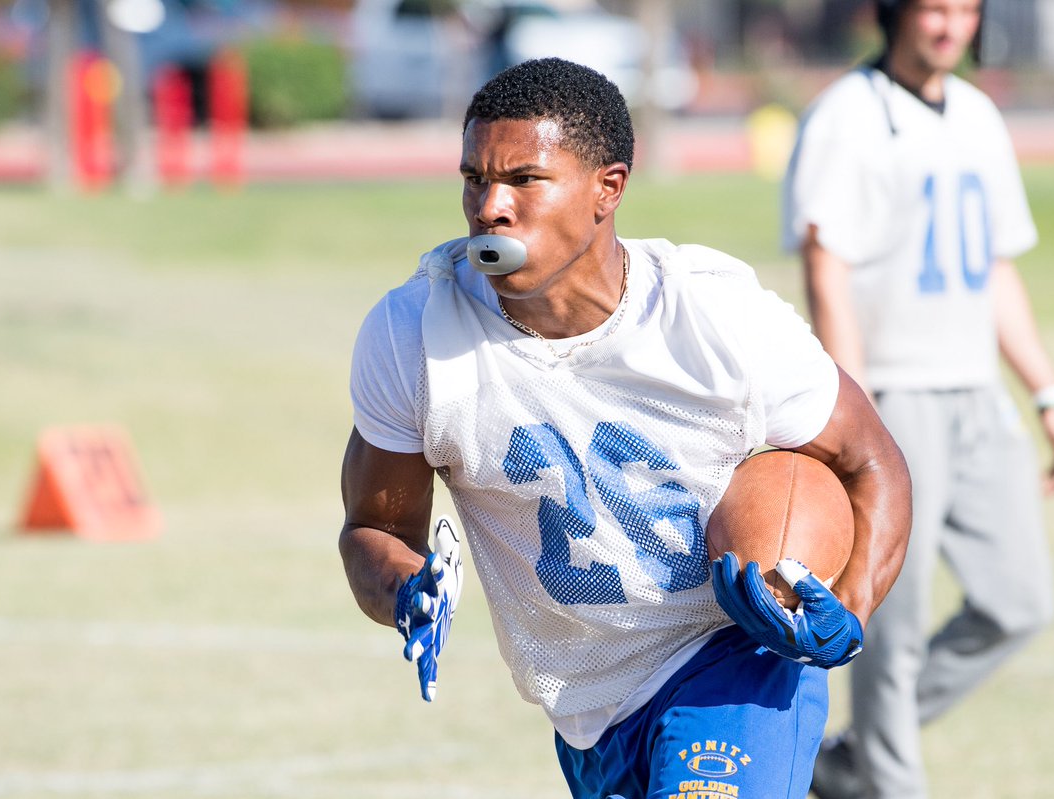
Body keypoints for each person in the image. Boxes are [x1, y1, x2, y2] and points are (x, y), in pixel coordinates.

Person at [339, 57, 912, 799]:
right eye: (475, 178)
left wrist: (853, 612)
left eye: (523, 179)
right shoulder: (415, 333)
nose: (490, 207)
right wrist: (405, 590)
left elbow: (873, 462)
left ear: (607, 188)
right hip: (587, 710)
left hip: (731, 660)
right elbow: (371, 528)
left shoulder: (715, 315)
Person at [781, 2, 1054, 798]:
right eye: (934, 8)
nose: (950, 25)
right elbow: (827, 264)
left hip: (977, 394)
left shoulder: (980, 116)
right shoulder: (846, 117)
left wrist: (1048, 394)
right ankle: (888, 781)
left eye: (965, 9)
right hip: (895, 399)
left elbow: (997, 269)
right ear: (895, 13)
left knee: (1019, 601)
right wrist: (854, 414)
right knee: (894, 625)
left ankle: (847, 761)